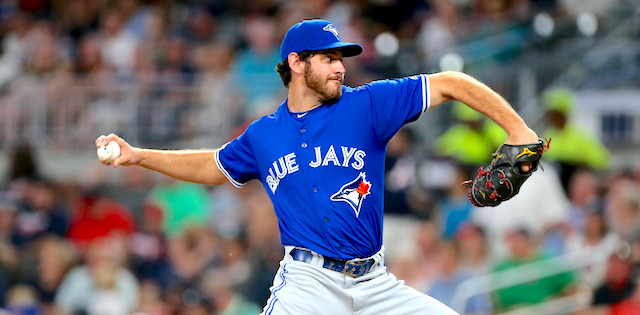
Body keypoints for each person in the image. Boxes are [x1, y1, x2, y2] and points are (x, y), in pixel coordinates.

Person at [96, 19, 539, 314]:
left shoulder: (367, 105)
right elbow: (213, 165)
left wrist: (519, 133)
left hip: (375, 283)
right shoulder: (264, 135)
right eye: (328, 58)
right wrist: (138, 155)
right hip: (308, 283)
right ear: (296, 62)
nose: (340, 67)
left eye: (341, 58)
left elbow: (452, 82)